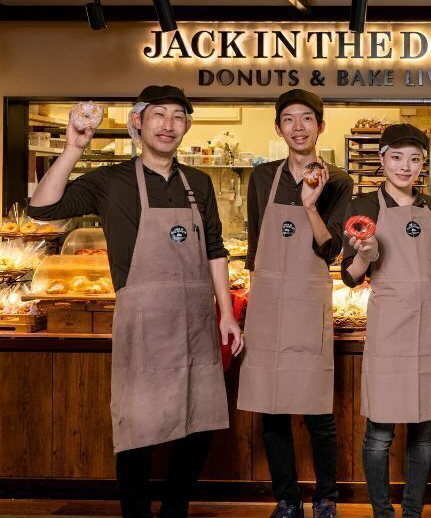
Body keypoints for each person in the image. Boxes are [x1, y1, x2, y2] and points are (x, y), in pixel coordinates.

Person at [28, 85, 242, 518]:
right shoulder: (111, 181)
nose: (168, 125)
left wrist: (226, 314)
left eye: (178, 116)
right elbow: (42, 208)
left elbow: (215, 249)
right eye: (159, 114)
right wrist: (73, 148)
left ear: (187, 126)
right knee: (138, 428)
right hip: (143, 320)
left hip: (196, 319)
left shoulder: (198, 182)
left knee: (200, 422)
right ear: (138, 122)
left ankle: (175, 510)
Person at [238, 89, 352, 518]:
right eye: (289, 119)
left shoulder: (338, 180)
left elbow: (331, 249)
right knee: (272, 409)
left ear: (321, 126)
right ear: (278, 128)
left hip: (308, 301)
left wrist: (309, 206)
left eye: (307, 119)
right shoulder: (262, 177)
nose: (298, 127)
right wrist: (252, 307)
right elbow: (255, 247)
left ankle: (326, 497)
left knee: (317, 410)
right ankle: (287, 499)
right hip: (268, 302)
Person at [340, 123, 431, 518]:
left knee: (424, 431)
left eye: (415, 159)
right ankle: (382, 513)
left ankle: (412, 513)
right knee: (380, 433)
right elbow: (350, 275)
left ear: (424, 163)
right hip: (389, 329)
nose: (405, 166)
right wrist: (366, 252)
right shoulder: (364, 205)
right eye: (397, 157)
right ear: (382, 158)